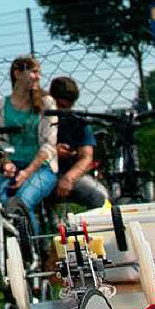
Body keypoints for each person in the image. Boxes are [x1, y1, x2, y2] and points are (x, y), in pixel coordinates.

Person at [0, 56, 58, 223]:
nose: (38, 77)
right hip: (10, 167)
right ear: (18, 74)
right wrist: (6, 162)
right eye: (33, 72)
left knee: (21, 202)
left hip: (41, 168)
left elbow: (49, 144)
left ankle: (31, 247)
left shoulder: (46, 103)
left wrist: (27, 173)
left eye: (39, 72)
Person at [48, 76, 109, 209]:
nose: (64, 111)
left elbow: (86, 157)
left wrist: (69, 178)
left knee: (101, 198)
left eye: (68, 107)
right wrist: (52, 152)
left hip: (70, 174)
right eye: (60, 106)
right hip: (42, 174)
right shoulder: (38, 118)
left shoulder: (78, 121)